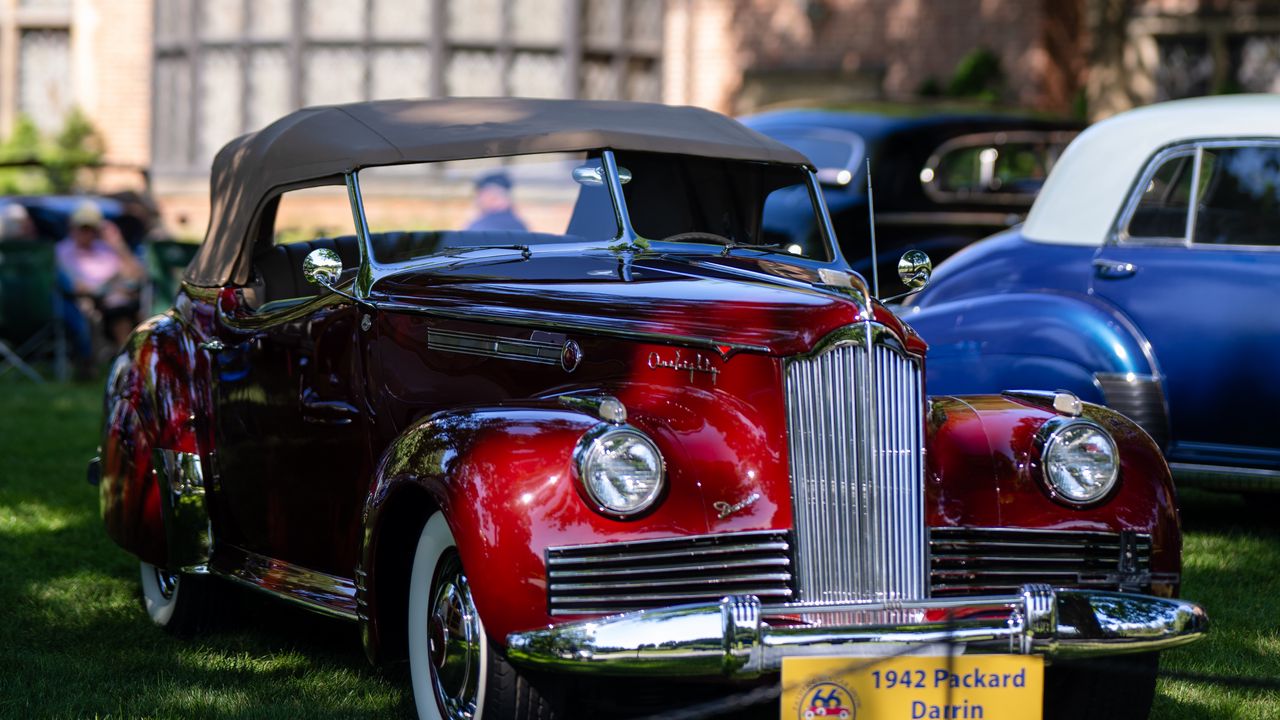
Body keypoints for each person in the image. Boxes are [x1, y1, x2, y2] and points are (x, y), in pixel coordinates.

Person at [55, 201, 145, 371]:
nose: (86, 233)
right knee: (121, 314)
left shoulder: (105, 249)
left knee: (129, 310)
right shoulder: (62, 251)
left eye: (91, 228)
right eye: (82, 227)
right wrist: (108, 289)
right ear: (72, 227)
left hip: (116, 300)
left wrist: (118, 243)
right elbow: (75, 286)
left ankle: (132, 364)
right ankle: (129, 365)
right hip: (83, 304)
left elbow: (136, 275)